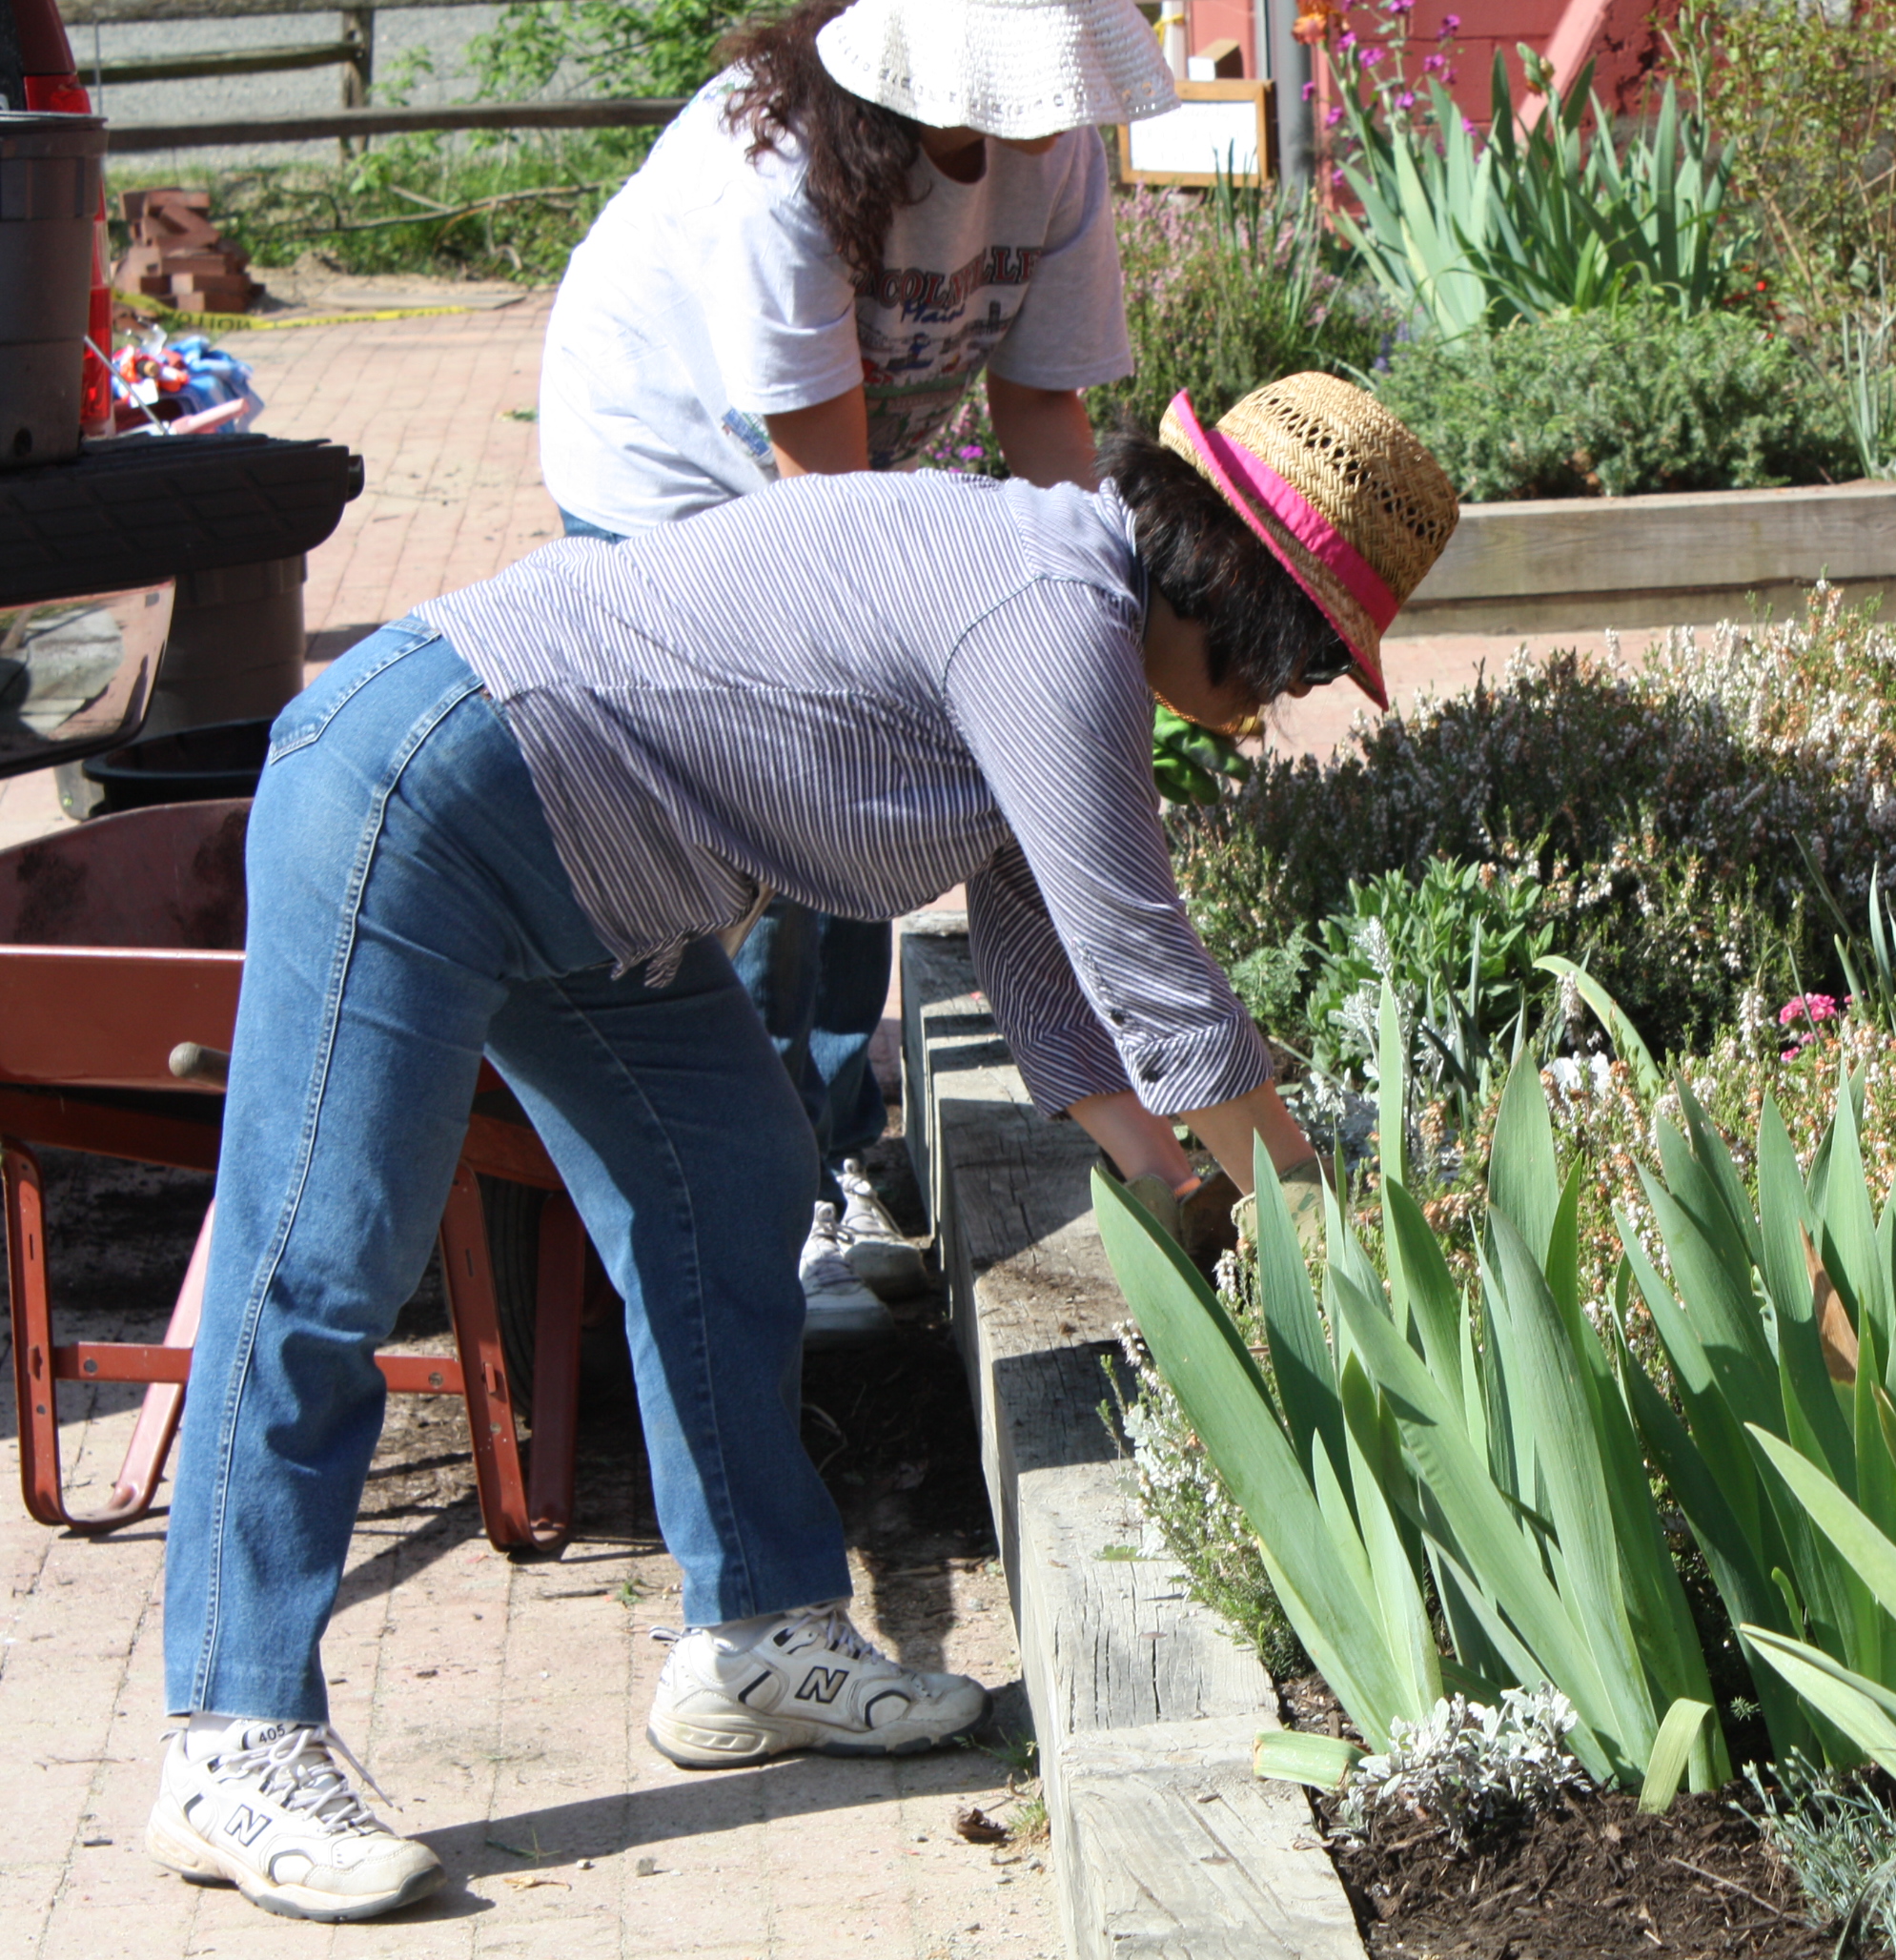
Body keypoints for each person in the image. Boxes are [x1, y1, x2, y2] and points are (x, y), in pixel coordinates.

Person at [146, 375, 1458, 1924]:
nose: (1278, 709)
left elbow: (1057, 979)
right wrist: (1322, 1219)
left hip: (594, 883)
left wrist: (1184, 1191)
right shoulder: (1051, 614)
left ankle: (753, 1641)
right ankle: (232, 1737)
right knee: (326, 1247)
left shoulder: (1070, 630)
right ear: (1243, 593)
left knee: (736, 1181)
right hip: (432, 782)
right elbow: (1146, 962)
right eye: (1303, 662)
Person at [539, 0, 1172, 1340]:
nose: (1051, 115)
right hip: (666, 470)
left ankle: (831, 1141)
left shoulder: (1051, 151)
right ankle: (763, 1210)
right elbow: (828, 515)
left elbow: (1044, 412)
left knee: (870, 808)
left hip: (836, 479)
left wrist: (1098, 640)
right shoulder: (775, 167)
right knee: (775, 828)